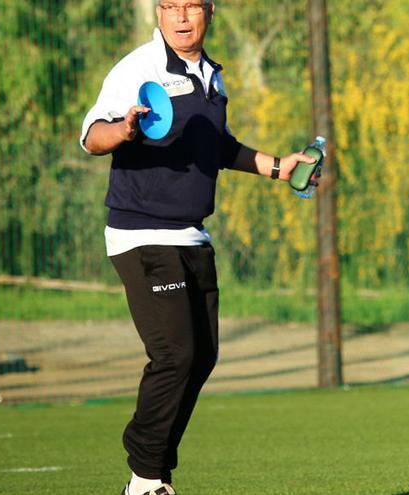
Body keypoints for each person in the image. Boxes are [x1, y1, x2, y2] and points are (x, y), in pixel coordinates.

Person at [79, 2, 316, 494]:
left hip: (192, 234)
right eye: (170, 6)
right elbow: (90, 135)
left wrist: (280, 167)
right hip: (142, 234)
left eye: (191, 6)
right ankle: (144, 478)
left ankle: (153, 477)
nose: (181, 17)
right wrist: (124, 130)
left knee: (202, 355)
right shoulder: (138, 68)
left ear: (209, 12)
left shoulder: (212, 76)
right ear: (159, 14)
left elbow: (221, 147)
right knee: (175, 353)